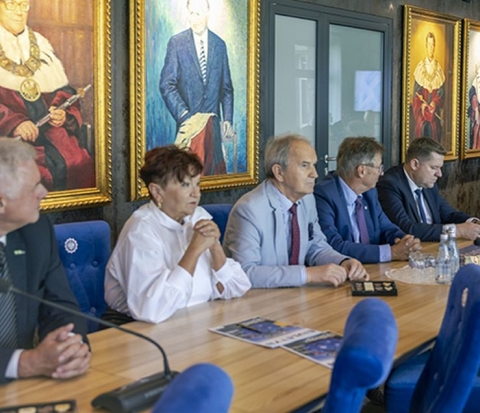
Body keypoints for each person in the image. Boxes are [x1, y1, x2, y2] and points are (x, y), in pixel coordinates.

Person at [104, 146, 250, 324]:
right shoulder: (140, 230)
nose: (196, 193)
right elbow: (151, 310)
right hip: (138, 329)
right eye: (185, 185)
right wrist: (194, 251)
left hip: (195, 322)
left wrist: (215, 248)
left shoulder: (197, 217)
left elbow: (238, 287)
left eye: (197, 184)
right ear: (157, 192)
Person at [223, 134, 367, 288]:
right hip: (256, 299)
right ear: (279, 172)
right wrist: (309, 274)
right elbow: (244, 273)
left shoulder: (307, 199)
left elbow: (315, 246)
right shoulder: (249, 210)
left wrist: (343, 261)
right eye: (305, 165)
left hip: (293, 295)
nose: (315, 174)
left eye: (313, 165)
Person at [0, 138, 89, 385]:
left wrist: (69, 348)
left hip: (28, 385)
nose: (44, 193)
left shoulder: (36, 231)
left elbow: (61, 306)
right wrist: (26, 363)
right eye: (34, 188)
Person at [0, 0, 94, 191]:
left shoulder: (41, 44)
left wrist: (62, 113)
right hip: (10, 141)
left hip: (52, 134)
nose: (19, 11)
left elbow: (65, 93)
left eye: (24, 5)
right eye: (11, 4)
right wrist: (14, 123)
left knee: (81, 163)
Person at [160, 0, 234, 176]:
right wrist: (185, 116)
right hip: (189, 132)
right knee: (186, 179)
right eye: (191, 13)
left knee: (214, 179)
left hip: (213, 132)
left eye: (198, 13)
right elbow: (166, 84)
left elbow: (226, 89)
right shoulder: (177, 43)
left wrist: (227, 119)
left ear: (208, 13)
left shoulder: (220, 45)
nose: (194, 19)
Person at [314, 137, 421, 263]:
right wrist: (391, 253)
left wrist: (406, 242)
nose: (381, 173)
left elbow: (386, 227)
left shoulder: (369, 192)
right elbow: (333, 246)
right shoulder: (324, 195)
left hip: (373, 268)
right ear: (362, 170)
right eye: (379, 167)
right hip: (344, 270)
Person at [376, 137, 480, 242]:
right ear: (414, 164)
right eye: (434, 167)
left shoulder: (426, 182)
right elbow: (406, 228)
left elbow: (447, 214)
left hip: (434, 248)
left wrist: (474, 223)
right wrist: (457, 231)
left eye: (440, 168)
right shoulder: (389, 184)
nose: (439, 174)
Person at [411, 32, 445, 142]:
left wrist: (434, 103)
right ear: (426, 46)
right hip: (422, 111)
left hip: (434, 112)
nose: (431, 47)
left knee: (434, 127)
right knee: (422, 126)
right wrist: (422, 105)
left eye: (432, 45)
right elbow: (416, 93)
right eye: (429, 44)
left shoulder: (439, 69)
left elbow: (441, 93)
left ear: (435, 46)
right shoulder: (420, 67)